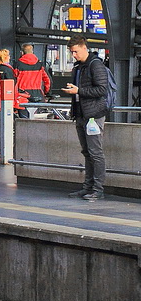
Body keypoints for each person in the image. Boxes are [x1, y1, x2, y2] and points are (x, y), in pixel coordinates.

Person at [62, 36, 109, 201]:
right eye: (72, 52)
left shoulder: (95, 65)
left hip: (93, 115)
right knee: (87, 152)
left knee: (95, 153)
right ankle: (88, 187)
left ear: (84, 47)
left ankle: (98, 189)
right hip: (81, 115)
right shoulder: (78, 67)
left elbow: (102, 90)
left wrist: (78, 91)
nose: (73, 55)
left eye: (75, 51)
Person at [12, 43, 52, 108]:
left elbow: (13, 80)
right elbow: (48, 80)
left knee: (23, 117)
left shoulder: (18, 65)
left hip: (23, 94)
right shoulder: (40, 64)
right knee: (39, 116)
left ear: (22, 52)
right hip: (38, 94)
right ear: (32, 52)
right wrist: (47, 93)